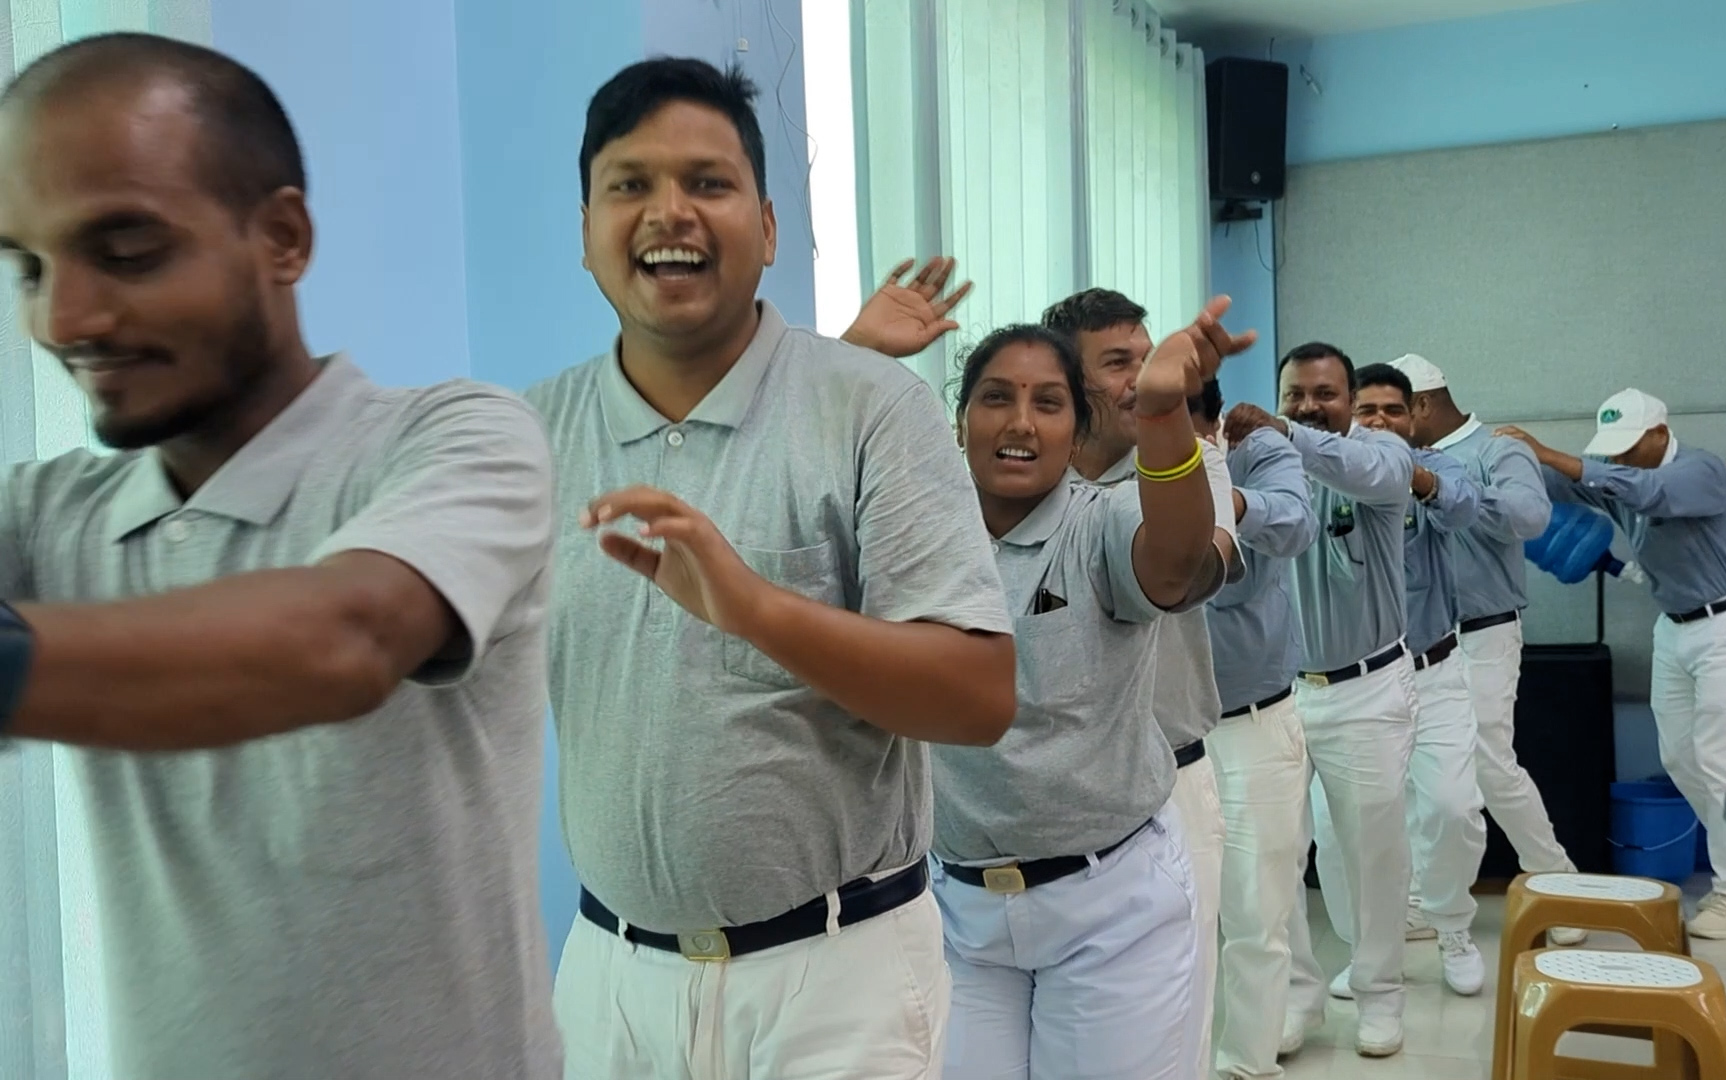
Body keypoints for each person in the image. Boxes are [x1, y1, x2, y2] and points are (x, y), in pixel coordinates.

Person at [0, 34, 560, 1078]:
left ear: (284, 237)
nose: (62, 318)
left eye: (126, 252)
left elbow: (343, 639)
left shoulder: (455, 440)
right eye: (28, 267)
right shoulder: (46, 516)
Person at [530, 59, 1017, 1079]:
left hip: (834, 977)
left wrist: (754, 607)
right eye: (630, 184)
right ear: (583, 233)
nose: (671, 212)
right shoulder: (529, 436)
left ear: (768, 227)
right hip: (609, 982)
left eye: (708, 182)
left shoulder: (872, 409)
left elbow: (977, 695)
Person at [936, 310, 1249, 1080]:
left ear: (1078, 434)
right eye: (995, 398)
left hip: (1108, 906)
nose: (1019, 422)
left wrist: (1163, 411)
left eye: (1049, 403)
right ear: (960, 419)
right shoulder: (921, 538)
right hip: (958, 914)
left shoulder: (1100, 522)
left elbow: (1175, 564)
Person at [1042, 287, 1239, 1074]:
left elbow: (1196, 560)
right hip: (1056, 794)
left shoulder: (1190, 461)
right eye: (1117, 362)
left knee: (1175, 1027)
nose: (1139, 378)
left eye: (1147, 356)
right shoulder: (1023, 479)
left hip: (1171, 782)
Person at [1500, 388, 1726, 940]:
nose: (1619, 458)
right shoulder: (1621, 470)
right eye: (1612, 449)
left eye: (1629, 446)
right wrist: (1513, 463)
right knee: (1679, 755)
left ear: (1659, 432)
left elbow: (1649, 492)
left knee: (1721, 756)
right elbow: (1564, 484)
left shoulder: (1703, 472)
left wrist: (1553, 453)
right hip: (1674, 627)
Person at [1225, 343, 1416, 1059]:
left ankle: (1380, 994)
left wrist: (1285, 435)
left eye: (1325, 393)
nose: (1308, 405)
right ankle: (1294, 998)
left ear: (1350, 397)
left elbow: (1362, 469)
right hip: (1278, 697)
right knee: (1272, 859)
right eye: (1294, 394)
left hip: (1368, 689)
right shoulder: (1261, 462)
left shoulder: (1381, 455)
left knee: (1373, 854)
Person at [1388, 353, 1586, 949]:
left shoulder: (1497, 449)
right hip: (1417, 642)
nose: (1387, 429)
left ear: (1422, 404)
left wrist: (1448, 491)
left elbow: (1530, 516)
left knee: (1487, 764)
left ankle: (1562, 885)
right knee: (1427, 777)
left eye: (1397, 414)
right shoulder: (1404, 459)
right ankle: (1426, 897)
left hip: (1482, 632)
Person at [1330, 362, 1489, 998]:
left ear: (1414, 417)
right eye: (1365, 411)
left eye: (1393, 411)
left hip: (1434, 669)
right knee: (1338, 829)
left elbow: (1466, 510)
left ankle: (1453, 926)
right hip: (1352, 685)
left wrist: (1408, 475)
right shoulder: (1326, 475)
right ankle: (1367, 952)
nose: (1378, 423)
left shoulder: (1436, 470)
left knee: (1452, 808)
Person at [1192, 379, 1319, 1079]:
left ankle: (1247, 1066)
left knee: (1254, 912)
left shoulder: (1256, 451)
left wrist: (1215, 490)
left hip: (1252, 724)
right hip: (1165, 737)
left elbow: (1295, 522)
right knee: (1180, 915)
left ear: (1211, 425)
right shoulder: (1112, 468)